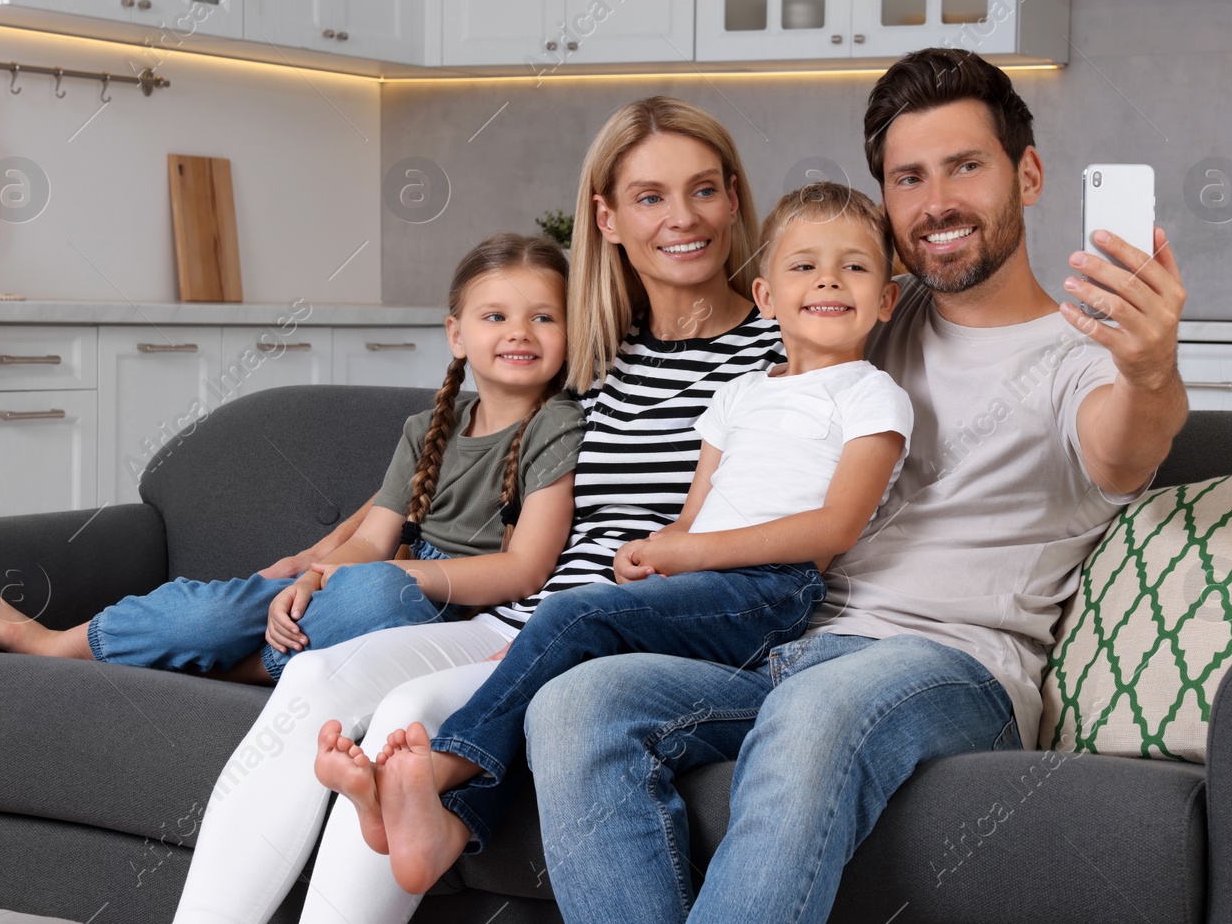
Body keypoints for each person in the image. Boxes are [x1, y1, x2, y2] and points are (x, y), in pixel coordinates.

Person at [526, 47, 1191, 924]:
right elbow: (737, 319)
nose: (938, 200)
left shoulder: (1081, 356)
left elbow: (1126, 448)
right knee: (576, 702)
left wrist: (1150, 369)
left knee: (812, 715)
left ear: (1026, 174)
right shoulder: (873, 309)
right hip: (789, 643)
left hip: (950, 666)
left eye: (966, 166)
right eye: (909, 178)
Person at [170, 96, 788, 924]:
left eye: (704, 190)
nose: (683, 218)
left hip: (632, 631)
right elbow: (451, 447)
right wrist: (323, 556)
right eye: (650, 196)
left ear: (734, 196)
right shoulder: (589, 347)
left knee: (403, 722)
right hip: (525, 616)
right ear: (606, 216)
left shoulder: (783, 347)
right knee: (316, 673)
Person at [318, 183, 915, 896]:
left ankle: (444, 768)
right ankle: (451, 820)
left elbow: (833, 529)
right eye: (804, 266)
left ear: (888, 298)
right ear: (765, 295)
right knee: (571, 653)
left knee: (573, 611)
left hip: (772, 593)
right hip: (701, 588)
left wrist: (686, 554)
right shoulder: (740, 395)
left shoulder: (871, 394)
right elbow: (696, 513)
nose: (827, 279)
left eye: (854, 267)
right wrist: (657, 549)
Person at [0, 231, 584, 690]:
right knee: (214, 610)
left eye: (543, 317)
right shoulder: (428, 428)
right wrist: (314, 577)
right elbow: (372, 541)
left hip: (438, 605)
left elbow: (525, 570)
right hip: (366, 579)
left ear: (571, 331)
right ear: (456, 334)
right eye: (495, 315)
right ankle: (57, 643)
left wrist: (396, 580)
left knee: (378, 603)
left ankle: (242, 663)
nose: (519, 332)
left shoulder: (558, 425)